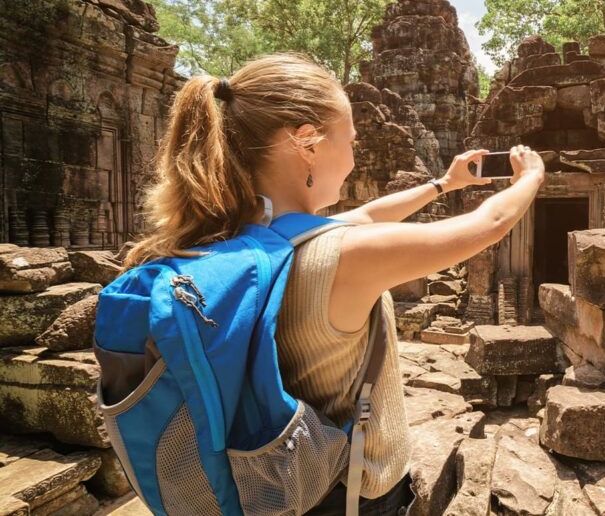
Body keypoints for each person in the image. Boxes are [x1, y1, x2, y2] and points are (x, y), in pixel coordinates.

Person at [121, 52, 545, 515]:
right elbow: (490, 223)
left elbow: (367, 215)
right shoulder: (341, 257)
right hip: (351, 494)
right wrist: (531, 177)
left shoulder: (240, 239)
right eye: (351, 141)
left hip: (273, 482)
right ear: (308, 142)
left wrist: (444, 183)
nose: (353, 158)